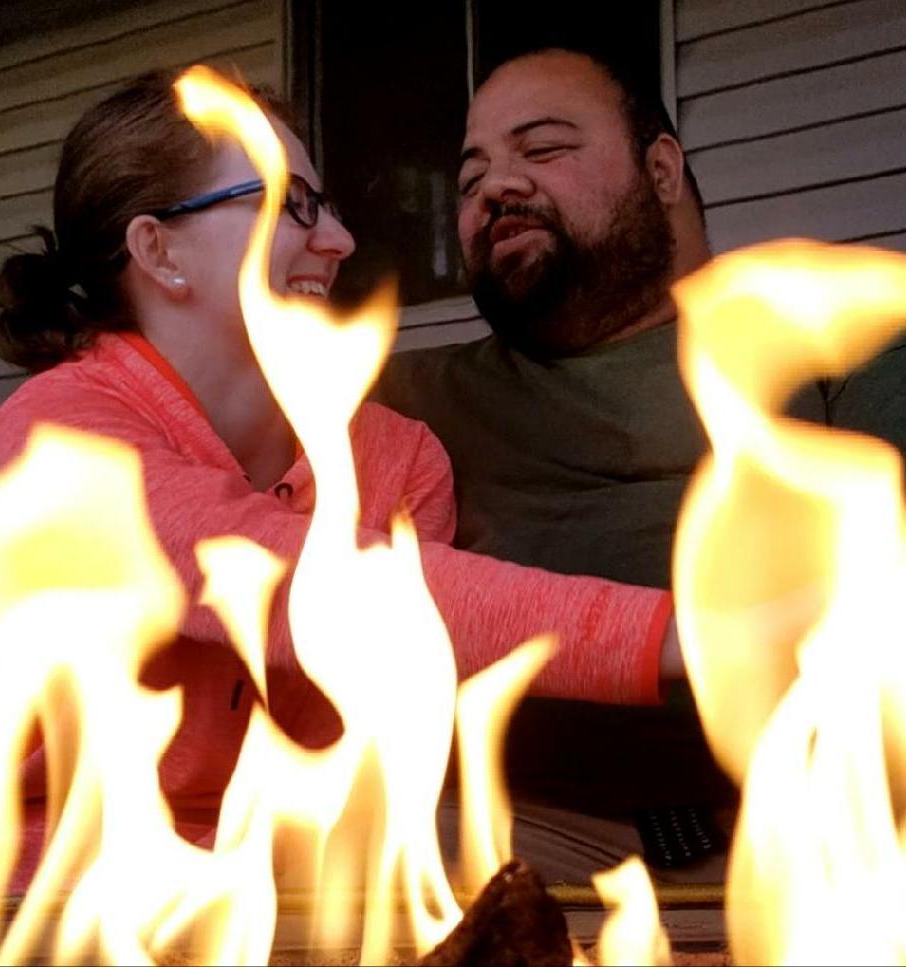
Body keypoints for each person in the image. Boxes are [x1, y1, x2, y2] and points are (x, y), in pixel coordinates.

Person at [0, 68, 685, 889]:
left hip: (307, 879)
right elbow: (279, 574)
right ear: (158, 249)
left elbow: (389, 704)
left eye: (328, 207)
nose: (338, 241)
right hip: (62, 891)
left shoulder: (399, 460)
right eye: (291, 204)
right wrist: (687, 635)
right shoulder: (59, 433)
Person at [373, 46, 906, 879]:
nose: (493, 190)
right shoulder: (406, 395)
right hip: (509, 839)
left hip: (819, 833)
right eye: (470, 178)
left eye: (541, 149)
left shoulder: (836, 330)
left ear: (660, 169)